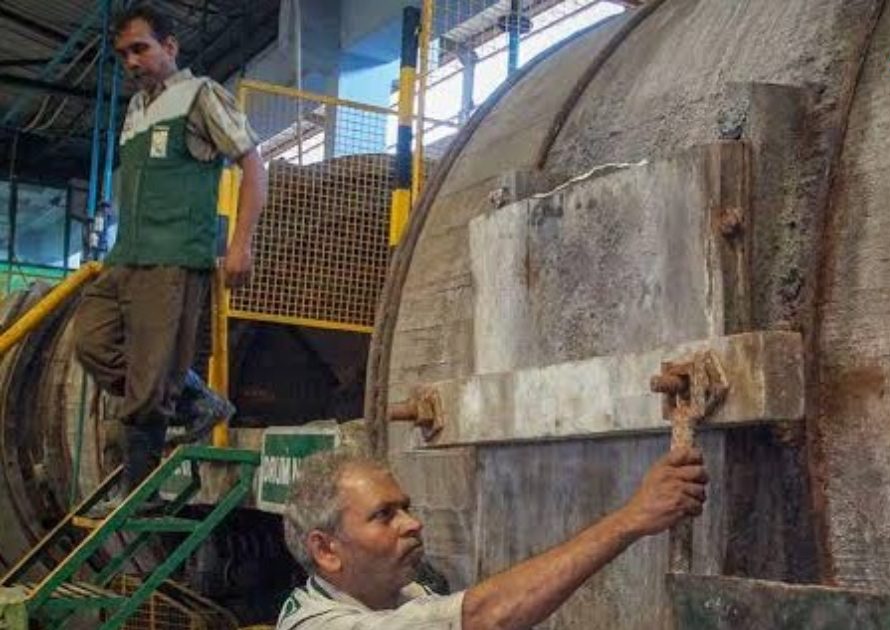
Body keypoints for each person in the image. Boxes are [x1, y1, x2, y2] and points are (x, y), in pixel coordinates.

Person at [73, 4, 267, 514]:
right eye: (123, 54)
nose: (132, 62)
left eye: (141, 49)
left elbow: (253, 164)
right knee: (90, 341)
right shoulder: (136, 109)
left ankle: (139, 492)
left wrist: (240, 244)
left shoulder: (200, 96)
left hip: (174, 257)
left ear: (170, 46)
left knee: (148, 378)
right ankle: (190, 397)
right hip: (127, 256)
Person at [277, 448, 709, 629]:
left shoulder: (402, 592)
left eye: (405, 508)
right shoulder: (319, 625)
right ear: (326, 550)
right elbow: (486, 616)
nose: (412, 524)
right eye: (384, 515)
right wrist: (631, 519)